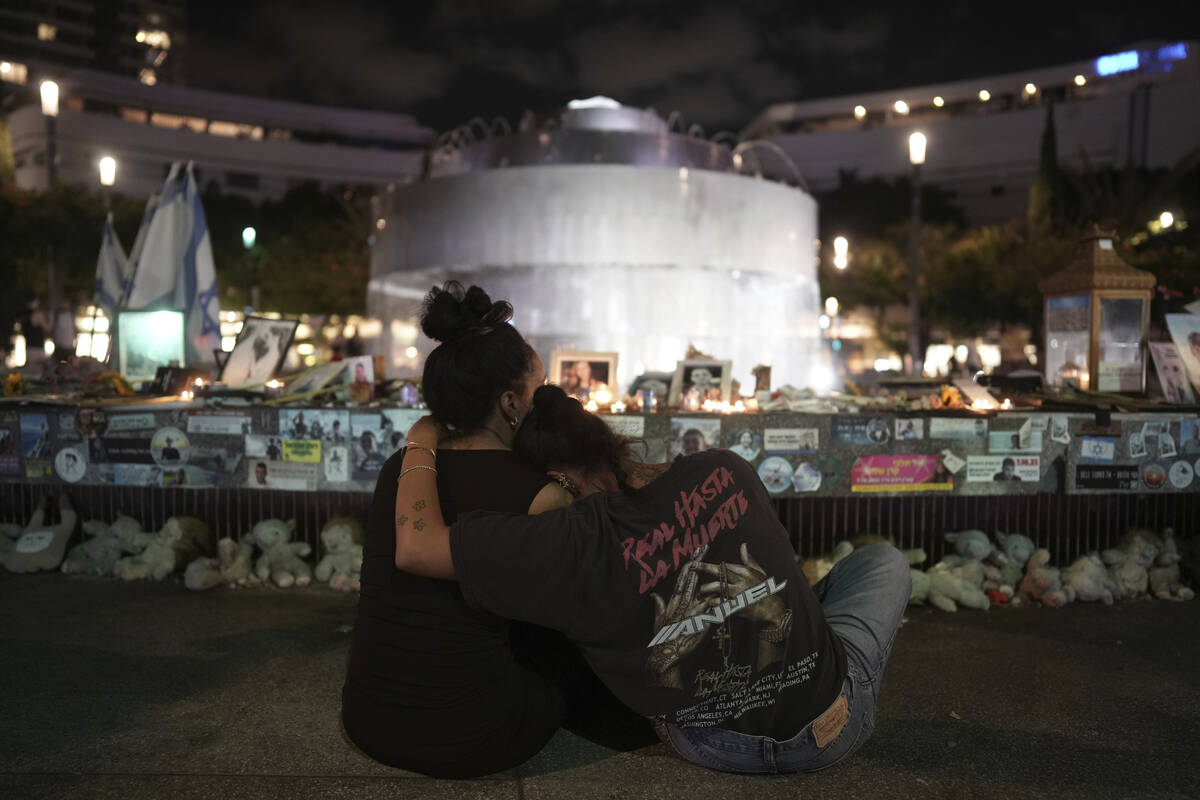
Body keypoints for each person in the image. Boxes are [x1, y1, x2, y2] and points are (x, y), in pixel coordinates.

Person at [390, 385, 912, 774]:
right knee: (883, 563)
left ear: (559, 480)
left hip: (711, 742)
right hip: (828, 726)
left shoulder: (568, 541)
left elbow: (415, 546)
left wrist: (422, 440)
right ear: (611, 439)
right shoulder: (725, 469)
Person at [341, 282, 613, 778]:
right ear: (511, 402)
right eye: (539, 387)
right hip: (468, 736)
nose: (546, 399)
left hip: (368, 717)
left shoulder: (402, 469)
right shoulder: (537, 493)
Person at [17, 297, 50, 363]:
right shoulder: (37, 314)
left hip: (29, 348)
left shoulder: (23, 315)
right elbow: (47, 328)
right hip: (38, 348)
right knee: (39, 371)